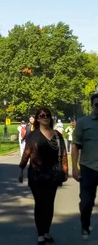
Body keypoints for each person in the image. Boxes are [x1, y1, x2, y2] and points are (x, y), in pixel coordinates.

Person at [18, 107, 68, 245]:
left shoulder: (57, 135)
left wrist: (65, 171)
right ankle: (40, 233)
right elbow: (26, 153)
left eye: (47, 115)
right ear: (38, 118)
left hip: (53, 174)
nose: (45, 117)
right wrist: (21, 169)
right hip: (36, 174)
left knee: (49, 204)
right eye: (42, 115)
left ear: (50, 117)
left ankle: (46, 232)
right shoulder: (33, 135)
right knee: (40, 204)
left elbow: (63, 154)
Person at [72, 93, 98, 240]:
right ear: (92, 106)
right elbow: (75, 145)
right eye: (97, 105)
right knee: (87, 202)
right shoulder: (83, 122)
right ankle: (85, 226)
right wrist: (75, 168)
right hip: (88, 168)